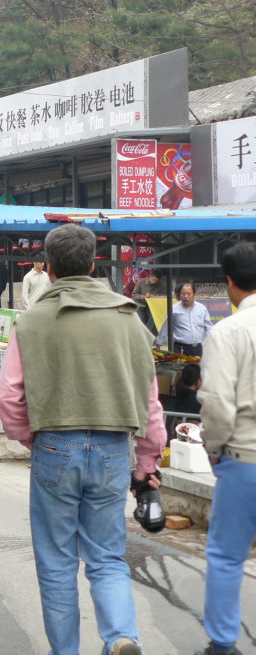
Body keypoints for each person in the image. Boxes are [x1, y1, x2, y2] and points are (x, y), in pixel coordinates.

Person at [0, 224, 165, 655]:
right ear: (93, 265)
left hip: (55, 445)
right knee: (107, 556)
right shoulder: (129, 317)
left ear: (48, 270)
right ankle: (121, 636)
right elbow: (149, 402)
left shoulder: (32, 321)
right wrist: (147, 461)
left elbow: (9, 396)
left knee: (56, 563)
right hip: (112, 450)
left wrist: (31, 439)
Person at [193, 242, 256, 655]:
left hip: (244, 459)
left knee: (227, 556)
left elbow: (216, 402)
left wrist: (214, 450)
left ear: (229, 283)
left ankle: (222, 646)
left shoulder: (227, 332)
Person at [156, 282, 214, 356]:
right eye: (183, 294)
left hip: (197, 348)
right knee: (179, 367)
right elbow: (165, 327)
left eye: (189, 294)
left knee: (197, 367)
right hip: (180, 348)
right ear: (179, 295)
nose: (186, 296)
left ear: (194, 295)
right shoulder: (174, 309)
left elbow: (208, 327)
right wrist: (158, 345)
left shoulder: (202, 309)